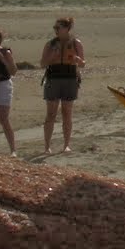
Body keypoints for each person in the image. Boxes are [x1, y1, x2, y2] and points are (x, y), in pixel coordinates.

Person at [40, 16, 85, 154]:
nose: (56, 30)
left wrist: (77, 60)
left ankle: (66, 145)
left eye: (58, 28)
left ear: (66, 29)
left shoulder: (76, 43)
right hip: (53, 79)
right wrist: (52, 56)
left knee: (67, 113)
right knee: (51, 114)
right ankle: (47, 146)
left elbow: (83, 64)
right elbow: (42, 64)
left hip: (70, 79)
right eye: (55, 28)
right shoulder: (50, 44)